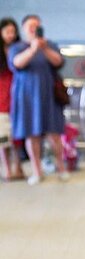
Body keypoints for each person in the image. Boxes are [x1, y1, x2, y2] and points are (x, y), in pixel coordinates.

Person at [7, 14, 67, 185]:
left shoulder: (50, 45)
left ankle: (61, 168)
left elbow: (58, 62)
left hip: (49, 96)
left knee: (54, 134)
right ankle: (37, 171)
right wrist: (33, 48)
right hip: (27, 97)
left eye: (37, 26)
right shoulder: (17, 47)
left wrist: (43, 47)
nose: (34, 29)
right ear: (24, 29)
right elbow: (17, 63)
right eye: (30, 26)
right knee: (32, 135)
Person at [0, 16, 24, 181]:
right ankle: (7, 168)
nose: (10, 35)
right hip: (1, 97)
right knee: (3, 135)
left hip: (17, 95)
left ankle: (19, 167)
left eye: (13, 32)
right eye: (7, 31)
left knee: (17, 135)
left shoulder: (19, 49)